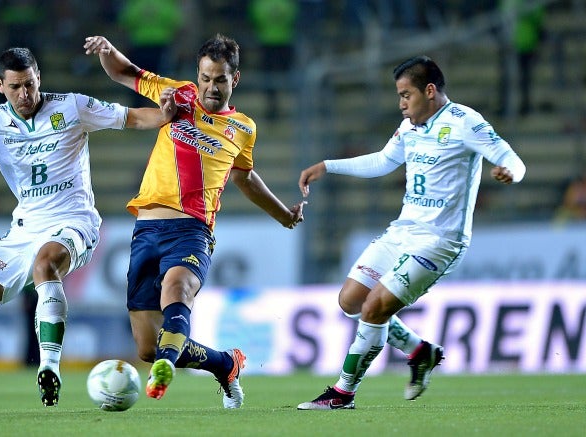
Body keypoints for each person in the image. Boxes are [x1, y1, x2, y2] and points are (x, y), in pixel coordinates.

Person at [0, 47, 177, 413]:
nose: (25, 94)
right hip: (22, 231)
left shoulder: (72, 107)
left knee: (46, 263)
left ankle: (49, 366)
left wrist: (169, 114)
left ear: (39, 78)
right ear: (0, 85)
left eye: (30, 84)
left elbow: (132, 118)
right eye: (16, 86)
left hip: (74, 221)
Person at [83, 34, 305, 408]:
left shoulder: (244, 128)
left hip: (192, 230)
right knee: (147, 347)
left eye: (220, 79)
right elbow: (125, 73)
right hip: (147, 229)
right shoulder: (178, 95)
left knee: (177, 291)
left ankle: (166, 370)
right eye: (205, 77)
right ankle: (224, 364)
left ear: (235, 79)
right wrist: (107, 50)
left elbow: (245, 178)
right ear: (197, 75)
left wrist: (283, 214)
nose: (211, 87)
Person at [296, 55, 526, 410]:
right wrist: (328, 166)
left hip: (440, 240)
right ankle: (420, 352)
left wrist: (509, 170)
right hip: (402, 231)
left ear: (429, 91)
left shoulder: (465, 122)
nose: (401, 103)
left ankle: (342, 393)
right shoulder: (409, 127)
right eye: (399, 95)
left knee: (374, 309)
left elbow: (511, 157)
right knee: (350, 301)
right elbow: (383, 161)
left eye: (407, 95)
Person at [248, 0, 298, 120]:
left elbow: (254, 21)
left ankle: (273, 107)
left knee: (270, 79)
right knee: (283, 77)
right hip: (285, 42)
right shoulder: (288, 4)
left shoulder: (259, 5)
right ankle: (284, 108)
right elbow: (293, 17)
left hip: (266, 43)